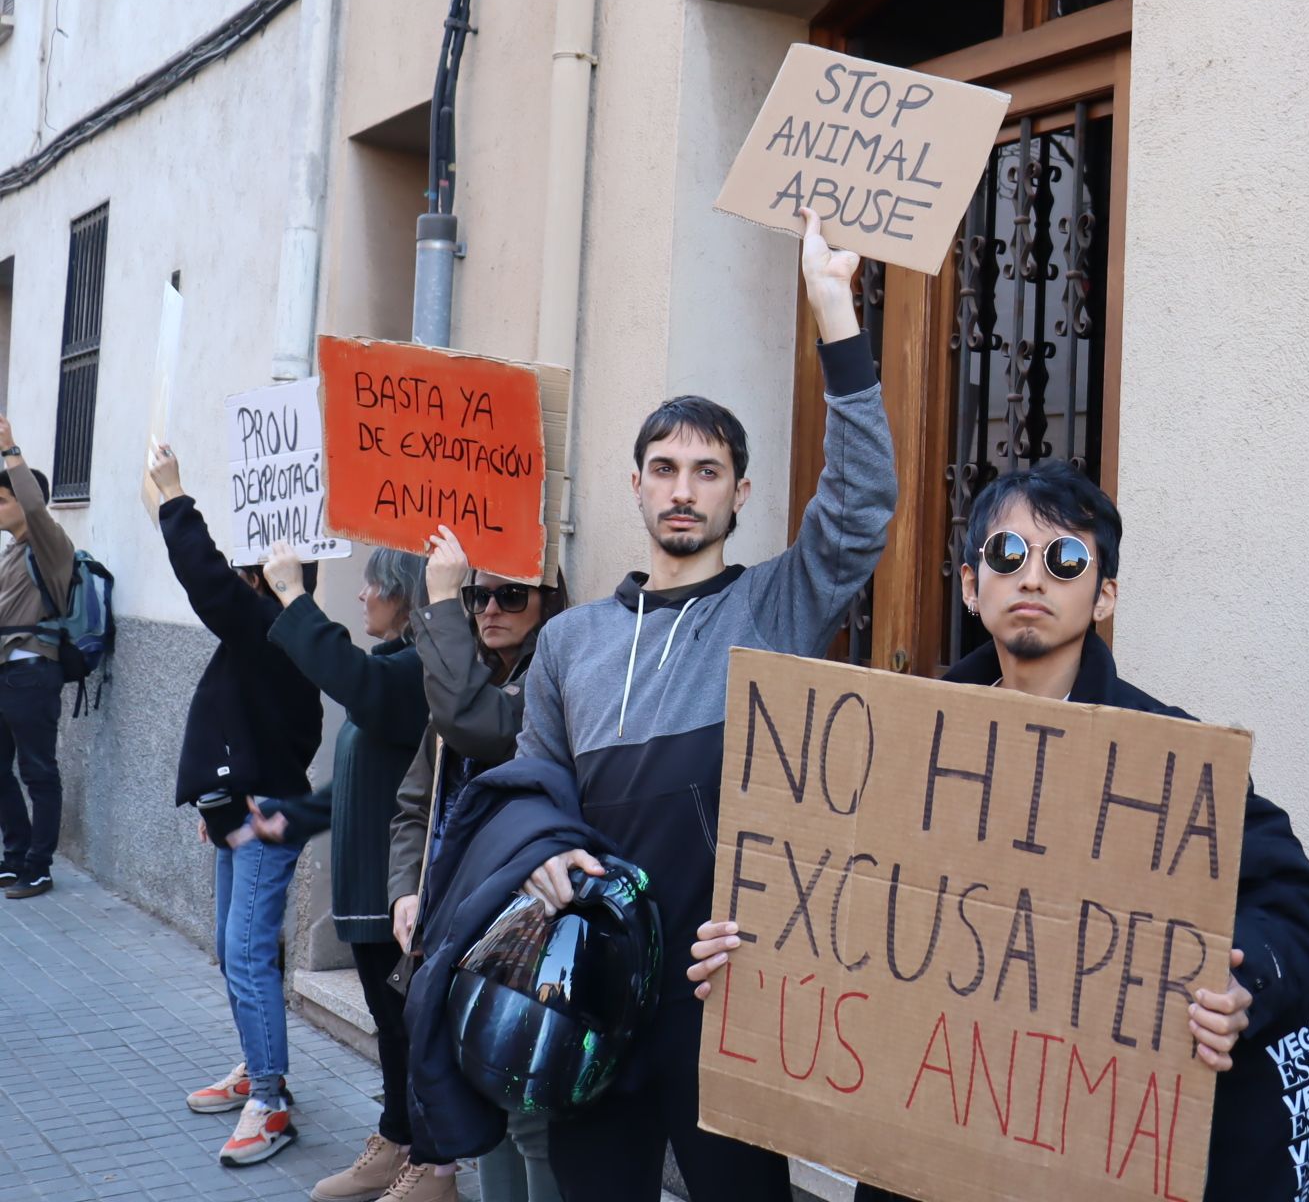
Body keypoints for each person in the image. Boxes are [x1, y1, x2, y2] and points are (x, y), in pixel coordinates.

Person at [405, 206, 896, 1200]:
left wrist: (833, 307)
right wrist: (541, 860)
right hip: (588, 990)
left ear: (740, 494)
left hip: (730, 1000)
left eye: (706, 472)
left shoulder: (778, 604)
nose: (684, 489)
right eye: (666, 470)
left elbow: (860, 507)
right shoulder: (573, 640)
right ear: (635, 487)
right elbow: (532, 785)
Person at [689, 461, 1309, 1202]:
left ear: (1104, 597)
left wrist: (1242, 984)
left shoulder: (1168, 756)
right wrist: (754, 950)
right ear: (972, 586)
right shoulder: (901, 744)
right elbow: (843, 896)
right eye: (1008, 556)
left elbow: (1292, 897)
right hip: (931, 1154)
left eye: (1065, 559)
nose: (1032, 578)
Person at [148, 440, 325, 1167]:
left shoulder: (274, 631)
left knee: (246, 953)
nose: (245, 575)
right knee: (236, 952)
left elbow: (207, 583)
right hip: (238, 814)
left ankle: (272, 1102)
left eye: (256, 568)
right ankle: (257, 1069)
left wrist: (172, 497)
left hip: (261, 819)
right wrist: (218, 796)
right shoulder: (269, 641)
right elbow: (243, 720)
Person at [382, 525, 570, 1202]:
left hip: (522, 932)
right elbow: (412, 805)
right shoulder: (466, 680)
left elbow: (483, 724)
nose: (488, 609)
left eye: (510, 596)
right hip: (455, 927)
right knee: (487, 1108)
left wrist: (437, 601)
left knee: (530, 1117)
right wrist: (406, 890)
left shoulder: (549, 682)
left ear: (549, 604)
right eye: (477, 596)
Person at [244, 543, 431, 1200]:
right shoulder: (388, 674)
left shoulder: (411, 674)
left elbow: (353, 680)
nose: (361, 596)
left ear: (403, 594)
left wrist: (294, 594)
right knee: (392, 1030)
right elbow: (347, 783)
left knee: (408, 1034)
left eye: (371, 585)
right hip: (367, 899)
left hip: (396, 900)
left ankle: (428, 1166)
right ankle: (398, 1141)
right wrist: (288, 818)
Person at [0, 414, 80, 901]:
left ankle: (38, 866)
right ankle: (15, 856)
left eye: (4, 497)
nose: (0, 505)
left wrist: (11, 451)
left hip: (32, 674)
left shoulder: (50, 545)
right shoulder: (12, 551)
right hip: (7, 675)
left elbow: (33, 501)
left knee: (38, 772)